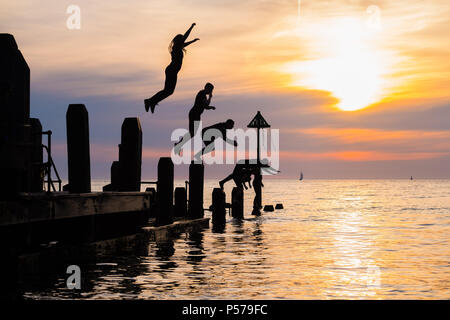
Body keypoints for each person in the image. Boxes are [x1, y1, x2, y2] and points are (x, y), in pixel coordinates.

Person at [145, 23, 199, 113]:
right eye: (182, 40)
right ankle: (150, 101)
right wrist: (191, 27)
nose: (183, 42)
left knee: (169, 91)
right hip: (171, 70)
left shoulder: (178, 47)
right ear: (179, 41)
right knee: (168, 90)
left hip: (173, 71)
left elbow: (184, 44)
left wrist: (193, 41)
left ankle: (152, 101)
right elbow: (185, 37)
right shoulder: (176, 47)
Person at [174, 83, 215, 154]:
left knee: (192, 133)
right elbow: (206, 104)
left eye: (212, 90)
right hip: (194, 114)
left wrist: (211, 107)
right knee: (193, 133)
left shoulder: (203, 95)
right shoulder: (202, 94)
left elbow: (205, 106)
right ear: (206, 88)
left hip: (196, 114)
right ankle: (178, 145)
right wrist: (210, 98)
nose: (211, 91)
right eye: (210, 90)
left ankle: (178, 145)